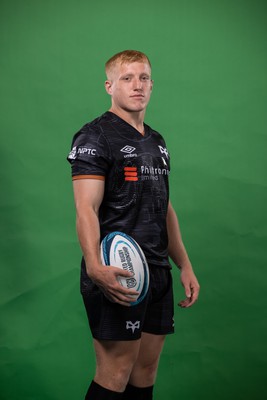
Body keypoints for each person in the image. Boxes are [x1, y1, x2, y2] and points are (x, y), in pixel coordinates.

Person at [67, 50, 200, 400]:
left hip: (157, 271)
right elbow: (86, 208)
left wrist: (183, 264)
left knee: (145, 372)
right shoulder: (95, 136)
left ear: (152, 85)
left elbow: (163, 206)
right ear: (109, 85)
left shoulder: (157, 141)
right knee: (115, 373)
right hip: (117, 269)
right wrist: (95, 268)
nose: (137, 85)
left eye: (143, 78)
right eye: (127, 78)